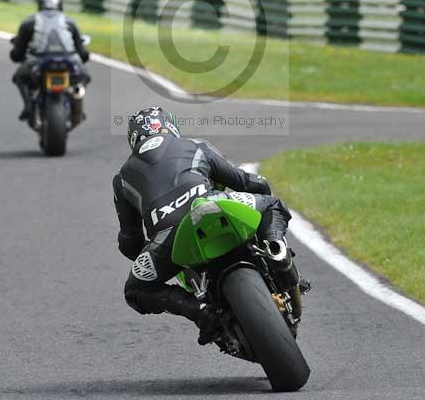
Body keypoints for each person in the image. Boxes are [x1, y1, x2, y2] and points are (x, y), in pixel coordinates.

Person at [113, 106, 309, 344]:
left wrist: (152, 251)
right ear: (171, 126)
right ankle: (276, 251)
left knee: (136, 289)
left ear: (133, 138)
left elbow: (129, 242)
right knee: (272, 205)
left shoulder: (122, 178)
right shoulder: (195, 145)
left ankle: (199, 311)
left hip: (169, 235)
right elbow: (249, 182)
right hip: (212, 204)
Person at [10, 0, 90, 120]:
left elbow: (18, 53)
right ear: (60, 6)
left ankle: (28, 107)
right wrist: (84, 56)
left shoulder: (29, 22)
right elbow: (83, 53)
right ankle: (77, 102)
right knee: (84, 76)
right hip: (68, 59)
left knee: (19, 77)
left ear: (40, 5)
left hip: (40, 59)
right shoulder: (69, 21)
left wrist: (16, 54)